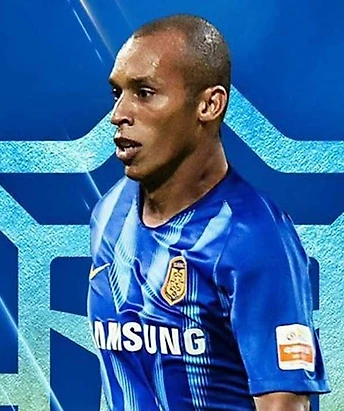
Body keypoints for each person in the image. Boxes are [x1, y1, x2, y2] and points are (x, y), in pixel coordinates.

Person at [87, 14, 330, 410]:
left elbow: (285, 404)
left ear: (209, 104)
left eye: (144, 93)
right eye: (118, 93)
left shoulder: (255, 238)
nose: (119, 114)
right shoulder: (109, 214)